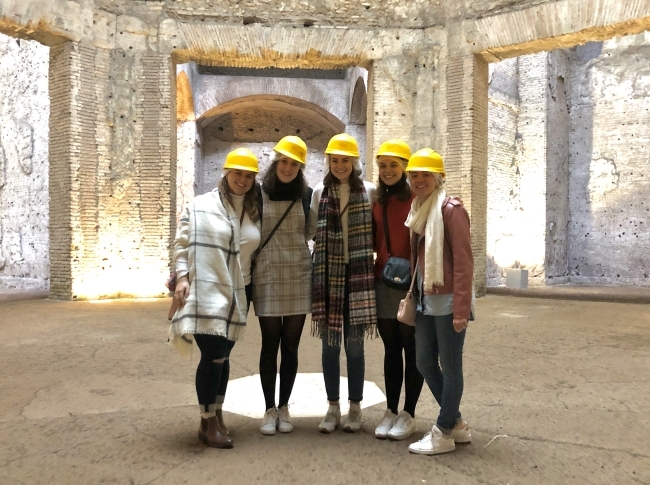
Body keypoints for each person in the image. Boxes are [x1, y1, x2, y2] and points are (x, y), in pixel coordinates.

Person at [169, 147, 261, 449]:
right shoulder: (200, 205)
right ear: (227, 173)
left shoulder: (255, 209)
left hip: (242, 290)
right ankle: (207, 423)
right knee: (214, 355)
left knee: (224, 356)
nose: (243, 180)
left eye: (249, 176)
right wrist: (182, 276)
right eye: (238, 174)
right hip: (209, 290)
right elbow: (182, 243)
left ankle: (217, 413)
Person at [402, 148, 474, 456]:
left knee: (451, 364)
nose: (419, 179)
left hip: (447, 302)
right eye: (414, 174)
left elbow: (463, 261)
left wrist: (461, 308)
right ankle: (456, 422)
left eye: (425, 175)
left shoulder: (450, 209)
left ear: (437, 177)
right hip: (424, 298)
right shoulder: (418, 207)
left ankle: (443, 431)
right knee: (423, 361)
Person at [308, 133, 377, 434]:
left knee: (355, 347)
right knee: (329, 347)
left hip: (359, 275)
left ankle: (356, 407)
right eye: (334, 160)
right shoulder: (318, 192)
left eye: (344, 160)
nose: (339, 165)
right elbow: (311, 230)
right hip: (329, 276)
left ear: (354, 161)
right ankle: (332, 407)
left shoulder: (370, 191)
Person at [253, 136, 313, 436]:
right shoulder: (257, 193)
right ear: (275, 162)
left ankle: (285, 405)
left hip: (297, 276)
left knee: (290, 347)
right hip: (267, 275)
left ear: (300, 167)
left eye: (294, 164)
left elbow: (311, 231)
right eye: (284, 162)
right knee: (269, 345)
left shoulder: (307, 196)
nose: (288, 168)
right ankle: (269, 409)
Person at [371, 139, 424, 441]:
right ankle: (391, 410)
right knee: (391, 349)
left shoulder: (416, 197)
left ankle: (409, 413)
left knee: (411, 347)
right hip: (384, 281)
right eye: (383, 165)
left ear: (405, 168)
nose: (388, 170)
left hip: (412, 283)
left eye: (394, 165)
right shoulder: (378, 200)